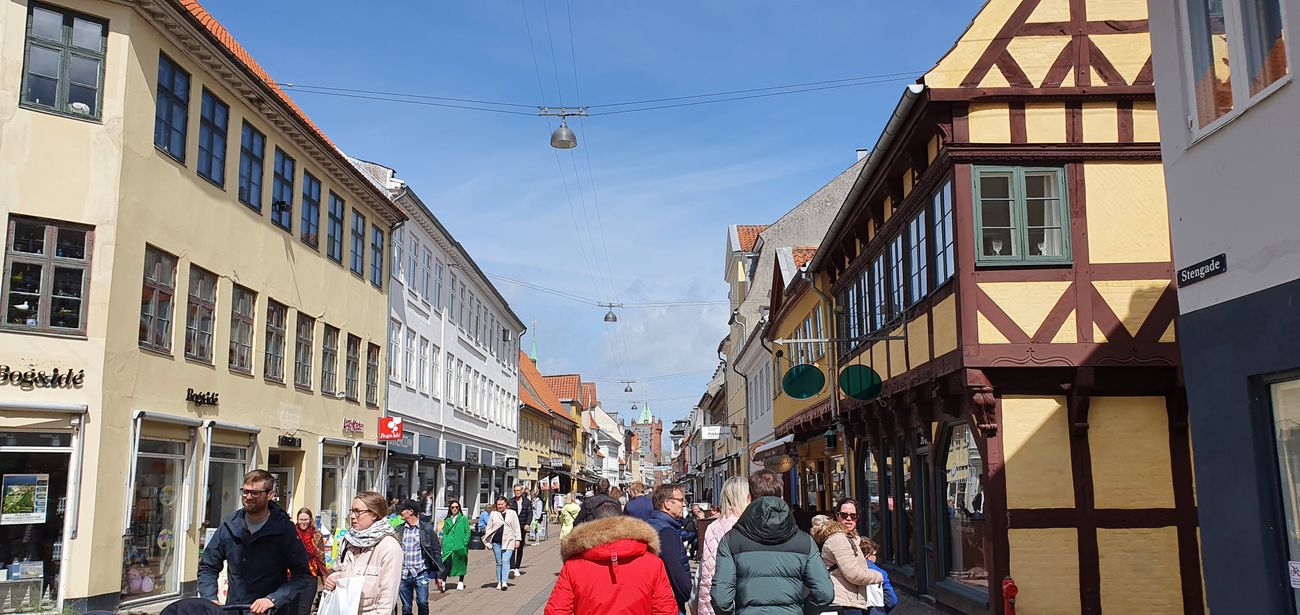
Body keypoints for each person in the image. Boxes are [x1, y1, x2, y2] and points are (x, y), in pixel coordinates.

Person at [710, 470, 833, 615]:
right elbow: (825, 592)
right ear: (781, 497)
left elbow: (721, 599)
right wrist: (804, 611)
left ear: (749, 498)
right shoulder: (804, 542)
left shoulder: (731, 540)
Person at [198, 470, 311, 615]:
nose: (248, 497)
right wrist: (209, 598)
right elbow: (208, 567)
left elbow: (302, 575)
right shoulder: (229, 526)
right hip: (235, 610)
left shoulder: (283, 529)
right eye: (245, 492)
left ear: (270, 494)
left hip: (271, 611)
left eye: (255, 493)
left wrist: (274, 599)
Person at [543, 501, 677, 615]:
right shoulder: (653, 563)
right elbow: (665, 610)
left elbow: (556, 611)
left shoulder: (573, 566)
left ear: (592, 526)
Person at [323, 492, 402, 615]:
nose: (352, 516)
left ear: (374, 514)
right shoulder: (347, 541)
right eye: (352, 511)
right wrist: (333, 578)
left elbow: (388, 596)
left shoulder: (388, 546)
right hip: (344, 610)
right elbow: (339, 570)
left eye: (358, 511)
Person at [811, 499, 886, 615]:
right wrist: (880, 576)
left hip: (847, 601)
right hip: (843, 603)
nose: (849, 518)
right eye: (844, 515)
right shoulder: (839, 539)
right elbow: (854, 574)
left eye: (853, 515)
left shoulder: (847, 538)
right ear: (837, 516)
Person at [697, 477, 749, 615]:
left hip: (716, 602)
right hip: (744, 601)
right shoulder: (748, 526)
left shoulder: (713, 527)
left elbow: (708, 571)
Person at [645, 484, 692, 613]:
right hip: (670, 601)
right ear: (667, 503)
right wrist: (686, 592)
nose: (683, 504)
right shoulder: (665, 532)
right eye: (680, 500)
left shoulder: (652, 524)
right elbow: (675, 571)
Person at [395, 500, 445, 615]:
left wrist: (439, 575)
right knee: (406, 607)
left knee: (422, 602)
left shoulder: (427, 529)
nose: (400, 512)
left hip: (420, 572)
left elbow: (436, 552)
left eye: (403, 510)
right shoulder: (399, 530)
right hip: (403, 574)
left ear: (411, 511)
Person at [293, 508, 330, 615]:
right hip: (292, 577)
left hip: (310, 576)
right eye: (301, 519)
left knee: (304, 610)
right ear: (297, 520)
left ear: (310, 520)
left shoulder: (316, 535)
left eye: (306, 519)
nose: (303, 522)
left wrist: (325, 578)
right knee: (291, 609)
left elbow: (321, 558)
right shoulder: (291, 533)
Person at [483, 496, 522, 590]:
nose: (500, 506)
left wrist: (518, 539)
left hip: (509, 540)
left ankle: (504, 581)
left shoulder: (512, 513)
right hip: (496, 541)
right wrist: (487, 541)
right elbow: (489, 528)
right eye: (498, 504)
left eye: (502, 504)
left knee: (505, 560)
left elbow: (516, 527)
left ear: (506, 504)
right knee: (499, 562)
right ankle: (499, 581)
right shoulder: (493, 514)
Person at [440, 500, 471, 590]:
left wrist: (465, 542)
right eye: (452, 507)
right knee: (447, 563)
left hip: (460, 545)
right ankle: (443, 582)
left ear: (459, 508)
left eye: (457, 507)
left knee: (461, 563)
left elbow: (468, 531)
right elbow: (445, 533)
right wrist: (444, 543)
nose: (455, 509)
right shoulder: (447, 520)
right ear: (450, 508)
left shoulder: (463, 519)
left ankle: (461, 581)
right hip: (448, 546)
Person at [510, 484, 534, 577]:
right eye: (516, 490)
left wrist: (528, 524)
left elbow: (530, 513)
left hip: (522, 526)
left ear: (522, 491)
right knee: (512, 546)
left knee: (520, 547)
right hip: (512, 527)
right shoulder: (510, 501)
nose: (517, 492)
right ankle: (512, 567)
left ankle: (517, 567)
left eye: (519, 490)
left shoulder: (526, 501)